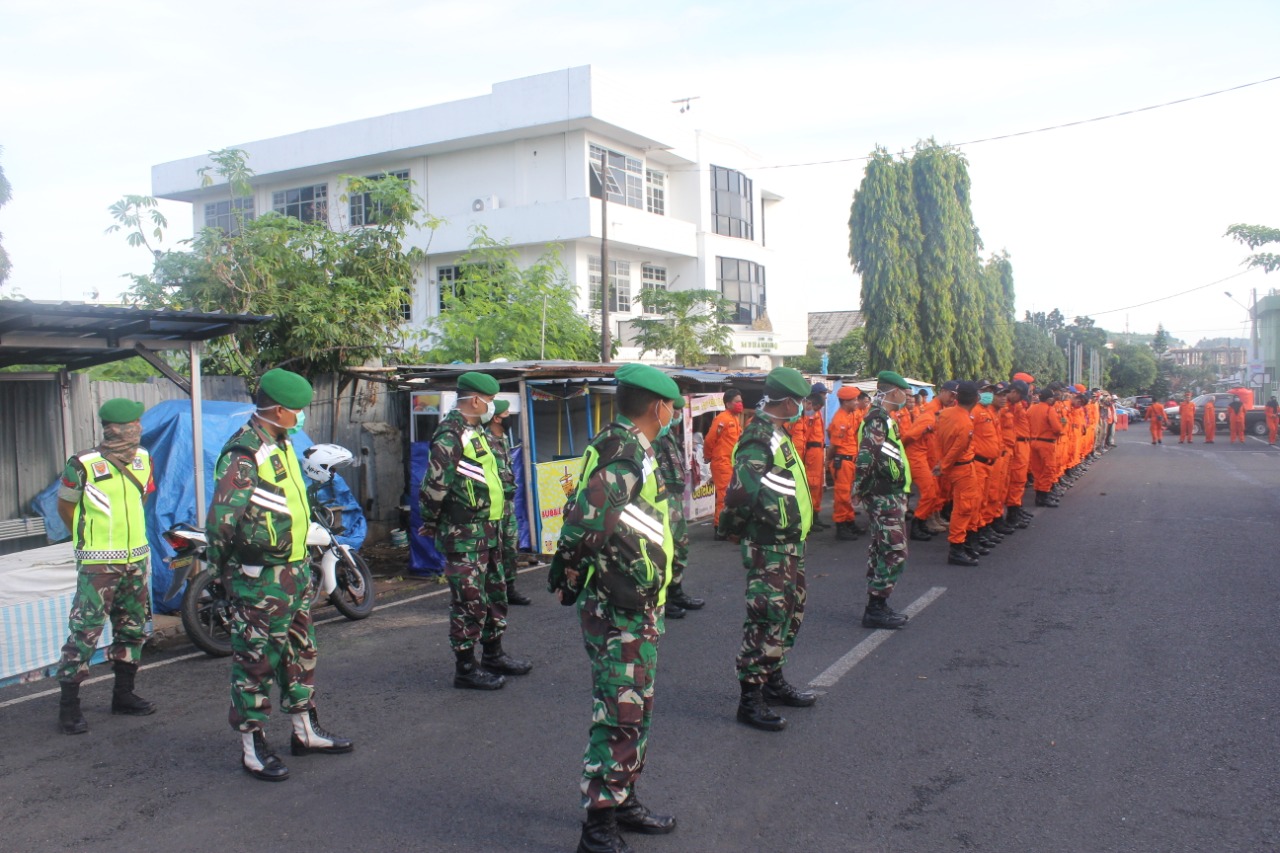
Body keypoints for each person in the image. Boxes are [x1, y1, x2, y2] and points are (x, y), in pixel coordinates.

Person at [547, 363, 682, 853]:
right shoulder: (625, 453)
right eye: (672, 407)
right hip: (619, 605)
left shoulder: (626, 446)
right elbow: (587, 519)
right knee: (620, 711)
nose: (673, 415)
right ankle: (599, 825)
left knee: (635, 707)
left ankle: (622, 800)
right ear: (657, 407)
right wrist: (566, 571)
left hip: (634, 598)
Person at [206, 369, 352, 781]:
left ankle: (305, 732)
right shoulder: (244, 452)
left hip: (292, 570)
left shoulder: (283, 445)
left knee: (299, 652)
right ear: (280, 410)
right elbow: (220, 522)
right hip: (259, 577)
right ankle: (252, 746)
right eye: (298, 410)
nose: (302, 416)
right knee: (255, 661)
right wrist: (229, 575)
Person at [419, 371, 532, 691]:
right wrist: (431, 519)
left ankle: (494, 654)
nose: (493, 406)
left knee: (495, 594)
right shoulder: (451, 434)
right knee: (469, 600)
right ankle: (466, 668)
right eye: (491, 400)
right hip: (464, 532)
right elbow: (435, 485)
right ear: (476, 400)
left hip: (489, 530)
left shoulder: (477, 432)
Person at [719, 367, 817, 732]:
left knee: (789, 614)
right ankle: (751, 698)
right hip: (770, 545)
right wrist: (731, 529)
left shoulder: (777, 433)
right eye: (802, 401)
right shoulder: (758, 437)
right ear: (788, 401)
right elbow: (741, 493)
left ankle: (772, 679)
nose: (804, 408)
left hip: (789, 542)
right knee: (766, 617)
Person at [54, 398, 158, 735]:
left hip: (137, 558)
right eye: (134, 423)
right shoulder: (82, 464)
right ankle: (69, 708)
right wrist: (89, 540)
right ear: (117, 428)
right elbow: (66, 508)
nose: (138, 429)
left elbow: (141, 499)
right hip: (98, 563)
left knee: (132, 628)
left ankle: (123, 696)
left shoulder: (144, 459)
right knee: (84, 632)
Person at [854, 371, 913, 629]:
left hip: (888, 493)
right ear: (894, 392)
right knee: (894, 550)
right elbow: (867, 457)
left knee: (882, 549)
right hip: (882, 495)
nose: (907, 397)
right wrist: (860, 488)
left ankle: (876, 605)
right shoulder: (877, 419)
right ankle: (876, 607)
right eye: (904, 392)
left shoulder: (885, 419)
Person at [652, 394, 706, 619]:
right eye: (674, 410)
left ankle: (676, 592)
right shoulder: (652, 438)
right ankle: (659, 600)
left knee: (679, 547)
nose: (677, 415)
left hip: (674, 499)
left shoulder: (668, 437)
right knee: (662, 551)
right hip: (660, 502)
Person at [487, 399, 530, 606]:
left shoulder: (503, 439)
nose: (508, 418)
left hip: (508, 506)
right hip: (491, 507)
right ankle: (492, 594)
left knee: (511, 549)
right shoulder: (483, 442)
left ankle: (509, 589)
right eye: (506, 415)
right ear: (495, 418)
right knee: (492, 551)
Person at [826, 385, 865, 541]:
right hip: (842, 461)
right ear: (846, 402)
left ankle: (849, 522)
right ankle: (841, 526)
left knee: (848, 494)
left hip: (850, 461)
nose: (857, 402)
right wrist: (828, 460)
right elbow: (834, 445)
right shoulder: (840, 419)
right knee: (842, 495)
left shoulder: (850, 415)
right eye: (854, 400)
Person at [704, 388, 743, 539]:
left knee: (731, 497)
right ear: (728, 404)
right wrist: (708, 456)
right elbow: (709, 440)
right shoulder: (723, 419)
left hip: (731, 463)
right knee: (724, 497)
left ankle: (727, 526)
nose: (740, 404)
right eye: (737, 402)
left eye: (740, 401)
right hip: (722, 463)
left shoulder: (734, 419)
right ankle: (719, 528)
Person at [796, 384, 830, 529]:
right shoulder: (807, 414)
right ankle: (808, 519)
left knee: (817, 486)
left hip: (817, 453)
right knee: (811, 485)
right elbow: (804, 438)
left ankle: (815, 516)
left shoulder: (815, 413)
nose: (825, 396)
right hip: (810, 454)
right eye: (823, 394)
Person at [1028, 387, 1065, 508]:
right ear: (1049, 399)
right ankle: (1043, 495)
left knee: (1037, 470)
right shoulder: (1049, 410)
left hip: (1033, 442)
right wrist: (1061, 429)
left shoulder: (1032, 409)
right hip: (1046, 443)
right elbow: (1057, 428)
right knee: (1048, 469)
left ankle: (1039, 496)